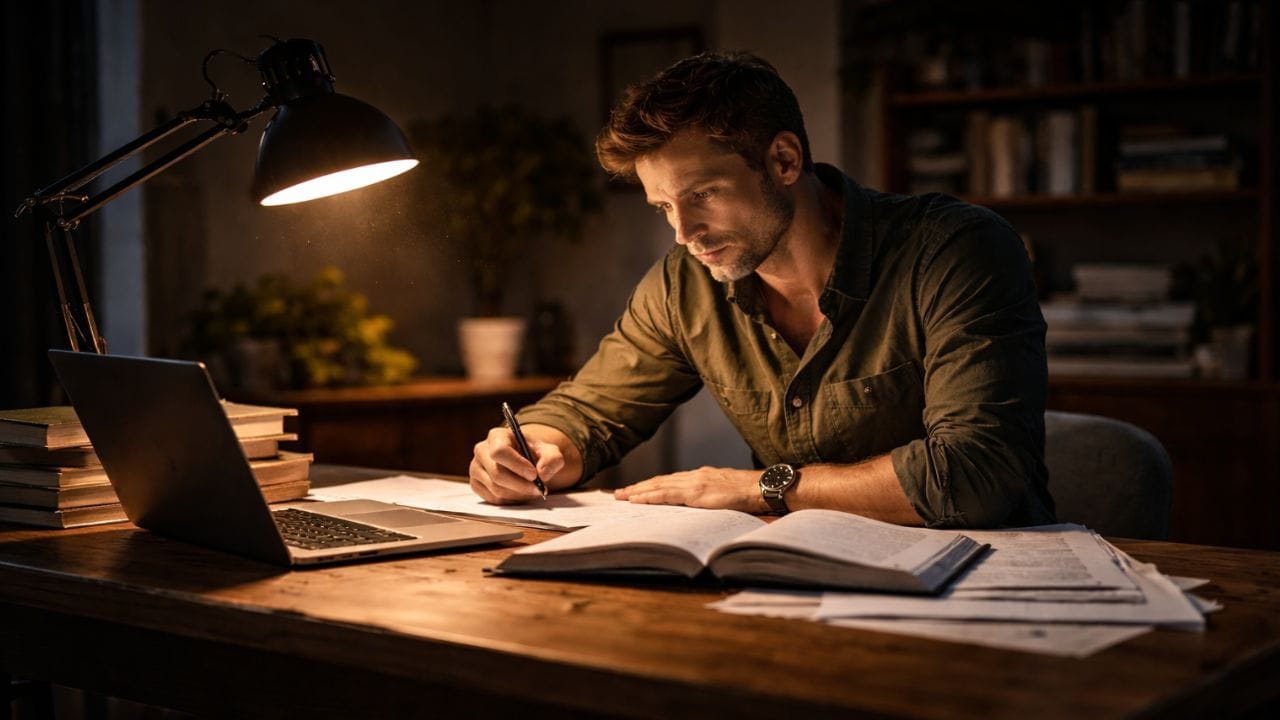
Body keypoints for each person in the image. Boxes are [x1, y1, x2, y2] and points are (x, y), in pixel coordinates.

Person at [469, 51, 1054, 528]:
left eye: (702, 195)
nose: (683, 232)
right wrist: (531, 449)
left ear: (783, 160)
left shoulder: (956, 249)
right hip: (798, 582)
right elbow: (588, 411)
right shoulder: (686, 282)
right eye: (663, 206)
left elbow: (978, 473)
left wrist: (759, 488)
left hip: (984, 583)